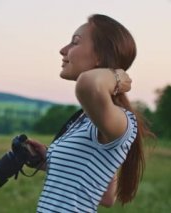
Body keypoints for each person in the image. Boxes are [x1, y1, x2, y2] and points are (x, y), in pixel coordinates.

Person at [27, 14, 154, 212]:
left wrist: (118, 76)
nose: (63, 50)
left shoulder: (121, 121)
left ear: (99, 57)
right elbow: (106, 196)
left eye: (75, 42)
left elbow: (88, 84)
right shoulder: (88, 121)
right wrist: (47, 159)